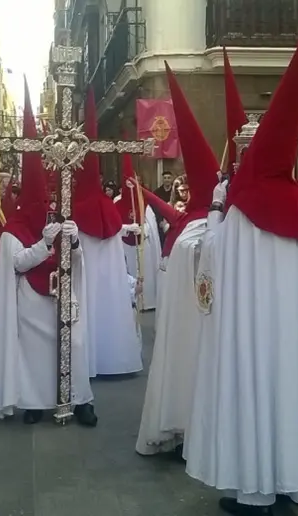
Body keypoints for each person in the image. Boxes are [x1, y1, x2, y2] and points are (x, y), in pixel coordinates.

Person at [185, 1, 298, 513]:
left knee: (256, 393)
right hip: (296, 341)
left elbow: (213, 264)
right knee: (296, 391)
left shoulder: (242, 209)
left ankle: (255, 489)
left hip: (253, 337)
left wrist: (211, 216)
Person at [0, 85, 97, 427]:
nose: (45, 209)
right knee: (34, 354)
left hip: (63, 295)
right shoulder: (12, 230)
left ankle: (81, 401)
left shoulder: (60, 219)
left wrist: (75, 244)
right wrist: (43, 245)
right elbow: (16, 264)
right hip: (31, 301)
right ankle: (34, 402)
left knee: (74, 345)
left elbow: (78, 264)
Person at [135, 64, 219, 458]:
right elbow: (173, 215)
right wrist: (146, 195)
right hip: (177, 307)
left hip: (195, 314)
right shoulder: (194, 219)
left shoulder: (209, 228)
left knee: (189, 366)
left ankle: (188, 426)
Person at [70, 91, 143, 377]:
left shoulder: (76, 210)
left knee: (89, 306)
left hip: (86, 280)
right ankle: (116, 359)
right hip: (110, 283)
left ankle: (87, 360)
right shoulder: (108, 210)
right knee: (110, 305)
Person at [116, 156, 162, 312]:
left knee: (144, 272)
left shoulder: (145, 204)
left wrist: (144, 230)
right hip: (124, 246)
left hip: (142, 246)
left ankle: (147, 301)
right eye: (126, 183)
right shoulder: (116, 203)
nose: (129, 187)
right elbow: (113, 227)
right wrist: (127, 227)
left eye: (132, 183)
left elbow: (152, 227)